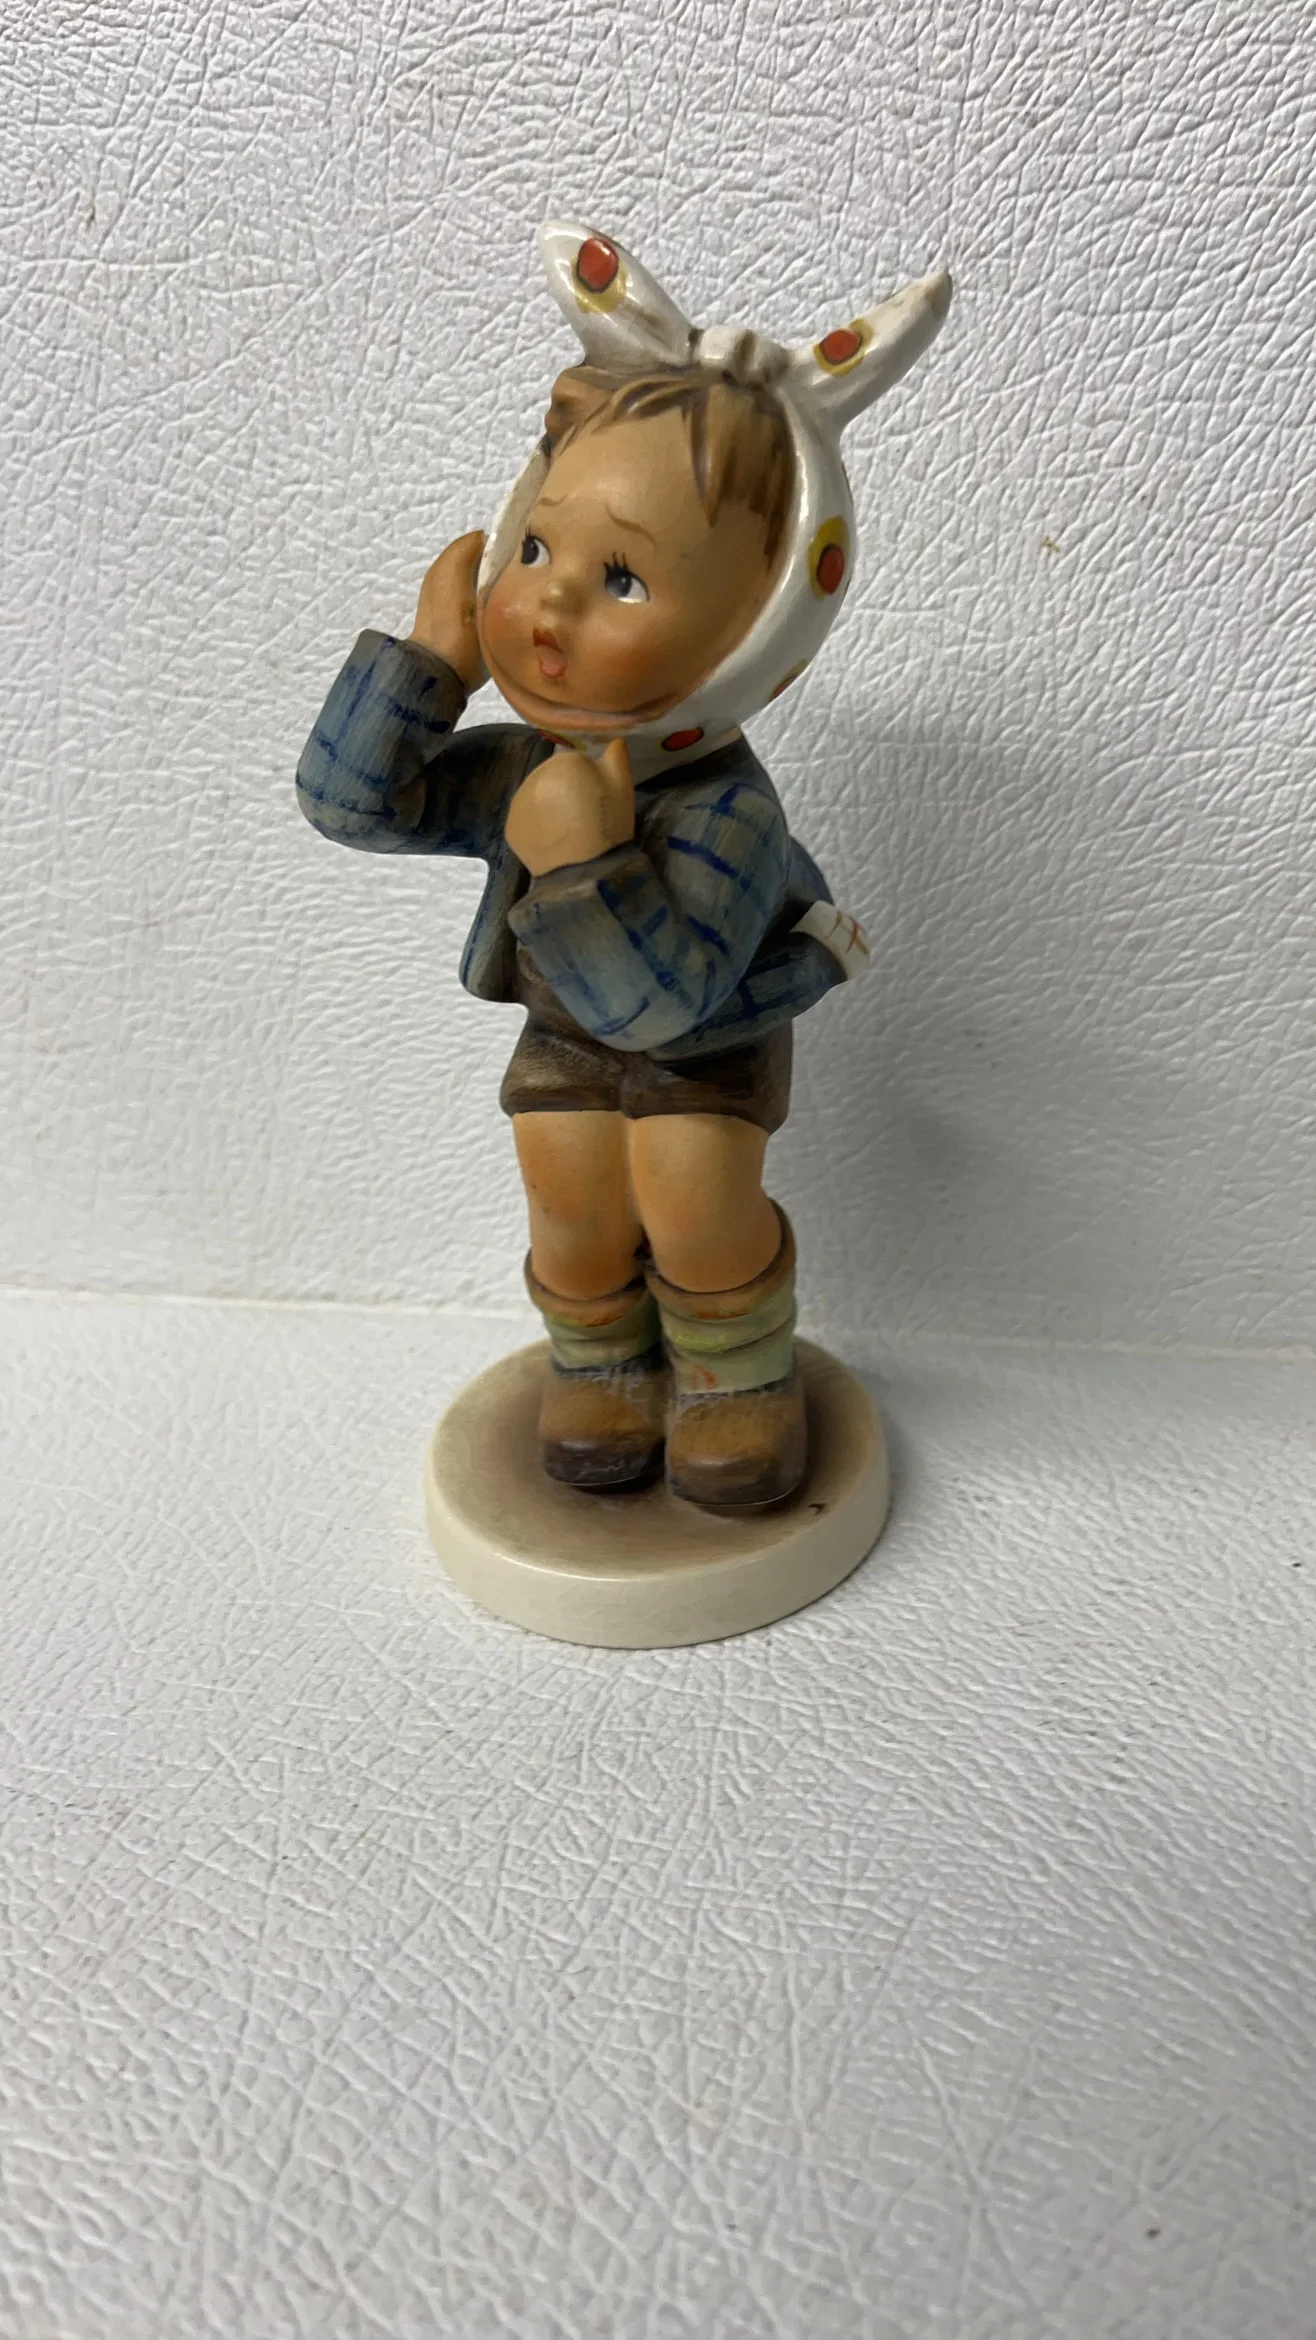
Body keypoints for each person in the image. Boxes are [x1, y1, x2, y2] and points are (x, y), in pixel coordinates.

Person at [296, 225, 950, 1509]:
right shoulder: (529, 765)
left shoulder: (726, 814)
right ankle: (599, 1359)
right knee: (568, 1196)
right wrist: (423, 673)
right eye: (537, 551)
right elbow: (353, 808)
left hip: (702, 1039)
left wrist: (581, 867)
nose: (548, 605)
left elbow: (660, 1006)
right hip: (563, 1035)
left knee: (691, 1195)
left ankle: (735, 1376)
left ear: (757, 633)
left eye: (621, 580)